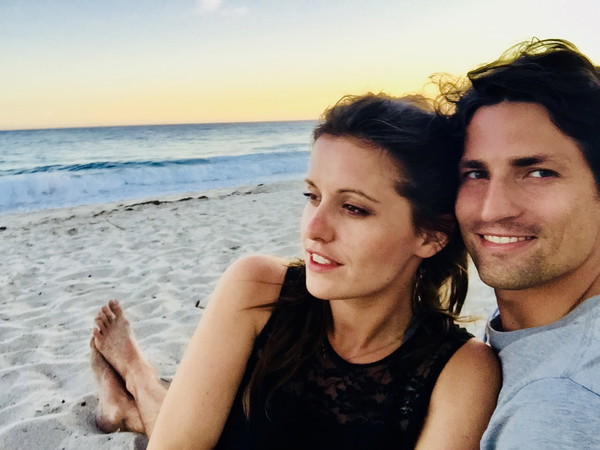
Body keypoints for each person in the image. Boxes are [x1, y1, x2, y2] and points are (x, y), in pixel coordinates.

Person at [91, 93, 500, 449]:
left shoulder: (461, 371)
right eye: (312, 195)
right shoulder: (258, 289)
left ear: (431, 235)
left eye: (353, 208)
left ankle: (134, 388)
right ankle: (138, 378)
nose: (313, 229)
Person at [443, 38, 600, 448]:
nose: (493, 209)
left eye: (538, 173)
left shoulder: (557, 407)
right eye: (476, 173)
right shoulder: (547, 331)